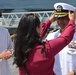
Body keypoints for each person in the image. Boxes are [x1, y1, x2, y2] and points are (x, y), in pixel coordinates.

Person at [13, 10, 75, 75]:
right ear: (37, 29)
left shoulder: (19, 49)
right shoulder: (45, 50)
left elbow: (32, 34)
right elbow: (65, 38)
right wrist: (71, 21)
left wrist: (50, 20)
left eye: (63, 18)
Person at [46, 2, 76, 75]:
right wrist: (49, 20)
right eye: (58, 18)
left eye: (63, 18)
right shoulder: (51, 36)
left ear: (71, 18)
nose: (60, 22)